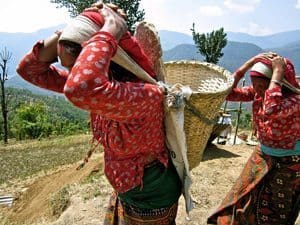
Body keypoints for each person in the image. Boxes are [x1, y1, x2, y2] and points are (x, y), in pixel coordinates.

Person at [16, 2, 182, 224]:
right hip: (130, 190)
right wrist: (82, 21)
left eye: (77, 65)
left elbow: (79, 88)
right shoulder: (106, 90)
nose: (71, 74)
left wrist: (110, 28)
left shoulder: (146, 94)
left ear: (107, 59)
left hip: (150, 197)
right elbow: (29, 70)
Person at [207, 53, 300, 225]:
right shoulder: (259, 94)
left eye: (262, 86)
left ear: (281, 84)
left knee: (274, 211)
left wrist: (278, 72)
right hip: (262, 155)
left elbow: (271, 110)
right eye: (254, 85)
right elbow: (226, 94)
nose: (257, 90)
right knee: (243, 198)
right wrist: (248, 65)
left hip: (288, 162)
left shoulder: (295, 101)